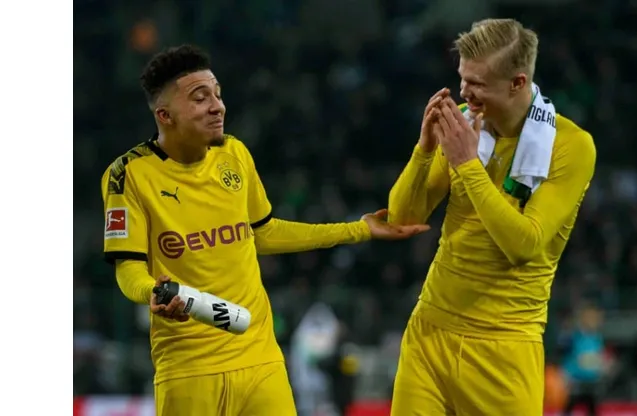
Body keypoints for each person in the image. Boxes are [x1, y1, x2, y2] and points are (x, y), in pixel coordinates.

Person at [100, 44, 429, 416]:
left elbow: (263, 232)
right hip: (188, 368)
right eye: (200, 98)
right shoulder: (128, 174)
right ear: (165, 115)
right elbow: (128, 267)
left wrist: (358, 229)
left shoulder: (234, 154)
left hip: (260, 358)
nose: (217, 106)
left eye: (218, 94)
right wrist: (152, 292)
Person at [387, 18, 597, 415]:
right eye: (462, 78)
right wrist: (424, 150)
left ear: (517, 82)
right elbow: (401, 218)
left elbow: (524, 245)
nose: (464, 92)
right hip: (429, 334)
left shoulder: (571, 146)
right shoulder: (464, 124)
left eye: (477, 83)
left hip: (504, 347)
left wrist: (467, 165)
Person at [561, 305, 607, 416]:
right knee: (569, 407)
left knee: (592, 407)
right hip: (576, 381)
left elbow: (598, 358)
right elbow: (568, 357)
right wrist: (566, 375)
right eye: (589, 318)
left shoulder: (597, 338)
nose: (592, 322)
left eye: (595, 319)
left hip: (592, 381)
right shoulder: (574, 337)